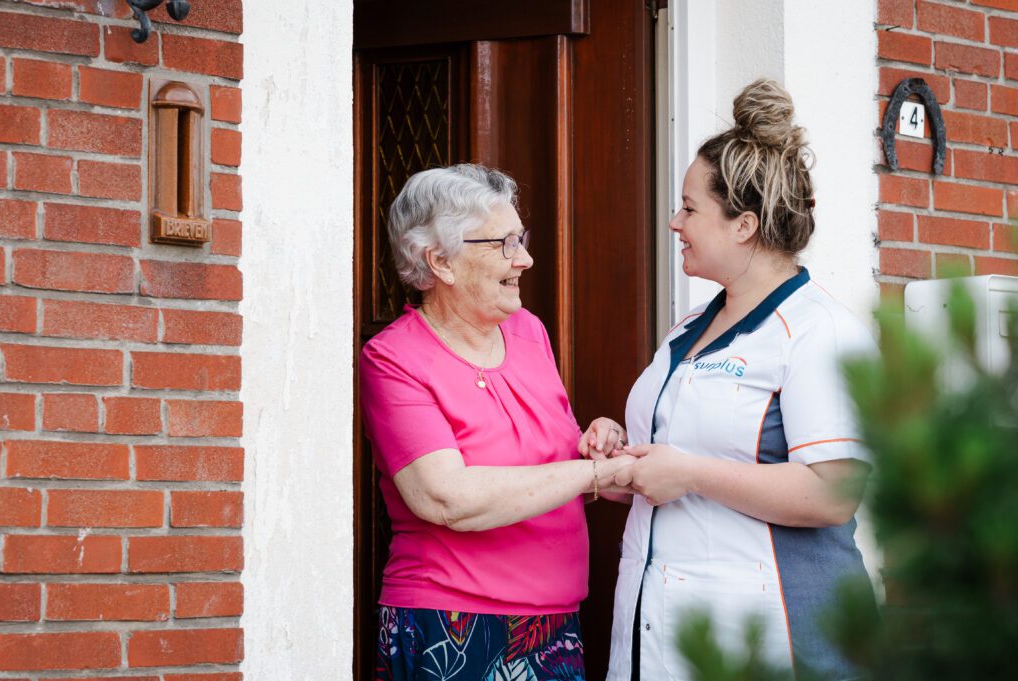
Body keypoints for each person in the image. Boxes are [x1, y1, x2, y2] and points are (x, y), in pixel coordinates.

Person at [580, 79, 877, 680]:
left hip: (773, 642)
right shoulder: (688, 327)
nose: (674, 221)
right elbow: (678, 456)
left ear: (743, 224)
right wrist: (621, 464)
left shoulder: (820, 331)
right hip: (660, 634)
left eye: (689, 208)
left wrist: (686, 473)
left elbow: (832, 494)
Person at [359, 163, 635, 680]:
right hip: (452, 624)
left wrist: (599, 447)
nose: (525, 259)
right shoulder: (394, 358)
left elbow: (554, 468)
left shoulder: (528, 332)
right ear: (440, 261)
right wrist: (593, 475)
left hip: (555, 626)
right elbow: (446, 498)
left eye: (521, 239)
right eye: (505, 243)